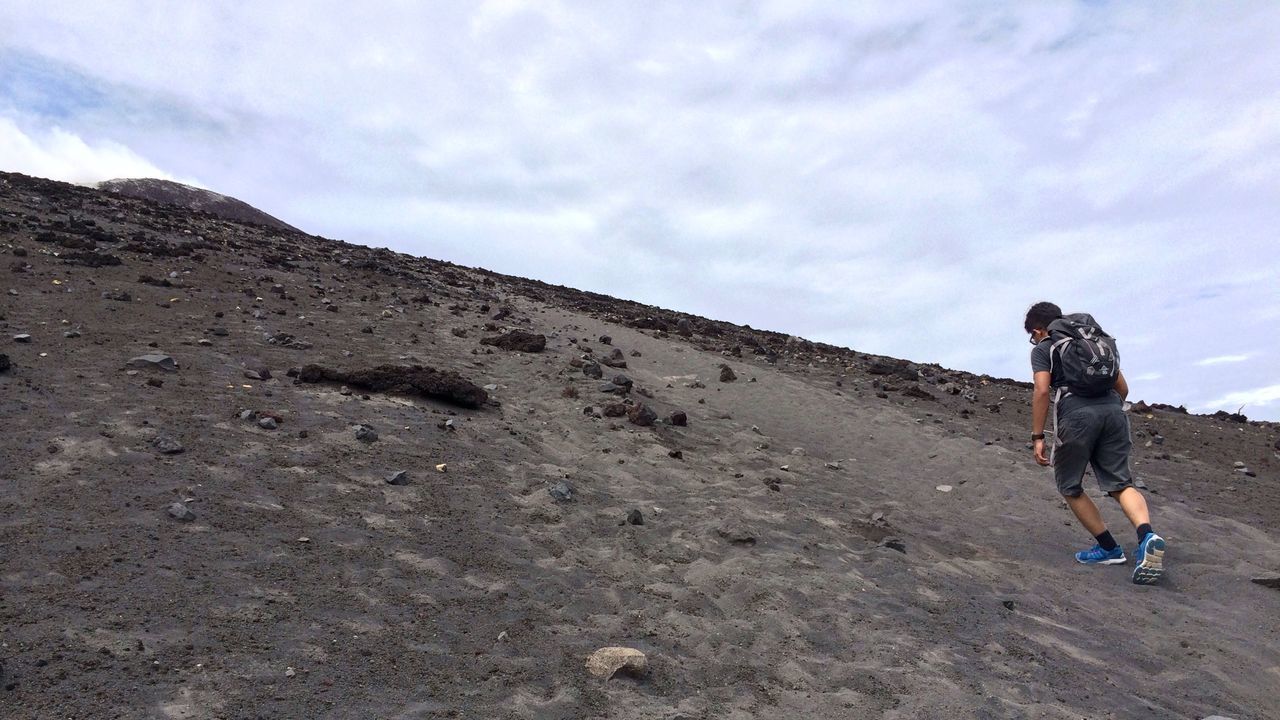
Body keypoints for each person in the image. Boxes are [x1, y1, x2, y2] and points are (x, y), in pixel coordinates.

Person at [1024, 301, 1166, 585]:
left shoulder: (1044, 348)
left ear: (1038, 330)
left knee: (1070, 485)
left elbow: (1041, 390)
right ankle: (1147, 535)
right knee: (1120, 482)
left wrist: (1037, 436)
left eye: (1032, 335)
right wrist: (1107, 411)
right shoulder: (1094, 341)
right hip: (1113, 412)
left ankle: (1109, 548)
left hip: (1076, 415)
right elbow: (1122, 387)